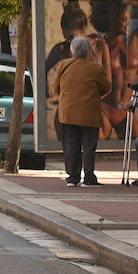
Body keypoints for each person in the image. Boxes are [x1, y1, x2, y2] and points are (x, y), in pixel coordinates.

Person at [48, 36, 112, 187]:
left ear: (72, 50)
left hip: (68, 112)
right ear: (89, 51)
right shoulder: (95, 67)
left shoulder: (64, 65)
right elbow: (106, 87)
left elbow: (56, 87)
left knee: (71, 145)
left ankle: (72, 177)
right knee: (89, 146)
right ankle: (89, 178)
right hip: (89, 112)